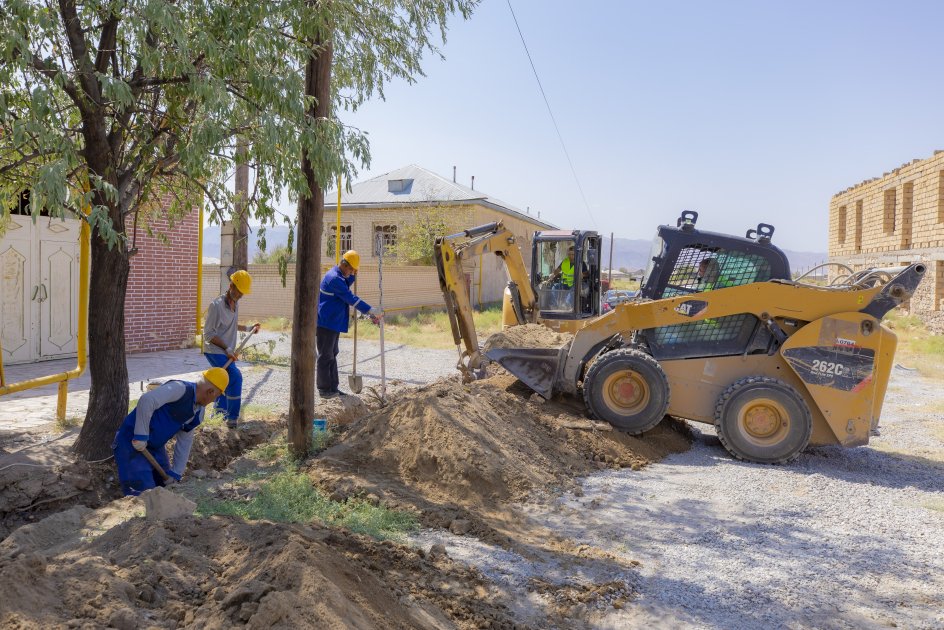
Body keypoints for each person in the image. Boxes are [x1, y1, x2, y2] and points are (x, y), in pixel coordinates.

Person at [112, 368, 229, 496]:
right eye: (216, 397)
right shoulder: (179, 389)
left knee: (165, 488)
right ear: (210, 392)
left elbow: (185, 440)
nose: (213, 401)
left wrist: (176, 472)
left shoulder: (198, 413)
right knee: (144, 493)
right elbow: (147, 401)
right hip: (131, 442)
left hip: (155, 448)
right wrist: (141, 435)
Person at [317, 250, 382, 398]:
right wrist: (370, 310)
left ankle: (333, 388)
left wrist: (352, 274)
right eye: (351, 270)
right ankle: (324, 389)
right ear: (344, 265)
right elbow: (349, 297)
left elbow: (346, 281)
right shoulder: (334, 279)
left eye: (354, 270)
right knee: (325, 356)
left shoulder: (338, 274)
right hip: (326, 322)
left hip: (333, 322)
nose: (352, 273)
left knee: (332, 354)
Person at [204, 269, 260, 428]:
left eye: (242, 293)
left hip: (226, 351)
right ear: (231, 286)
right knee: (235, 377)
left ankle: (218, 415)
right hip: (214, 350)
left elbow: (231, 325)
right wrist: (227, 348)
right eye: (238, 292)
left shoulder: (236, 304)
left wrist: (249, 328)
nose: (240, 295)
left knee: (223, 381)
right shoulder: (215, 306)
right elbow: (208, 334)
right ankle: (232, 420)